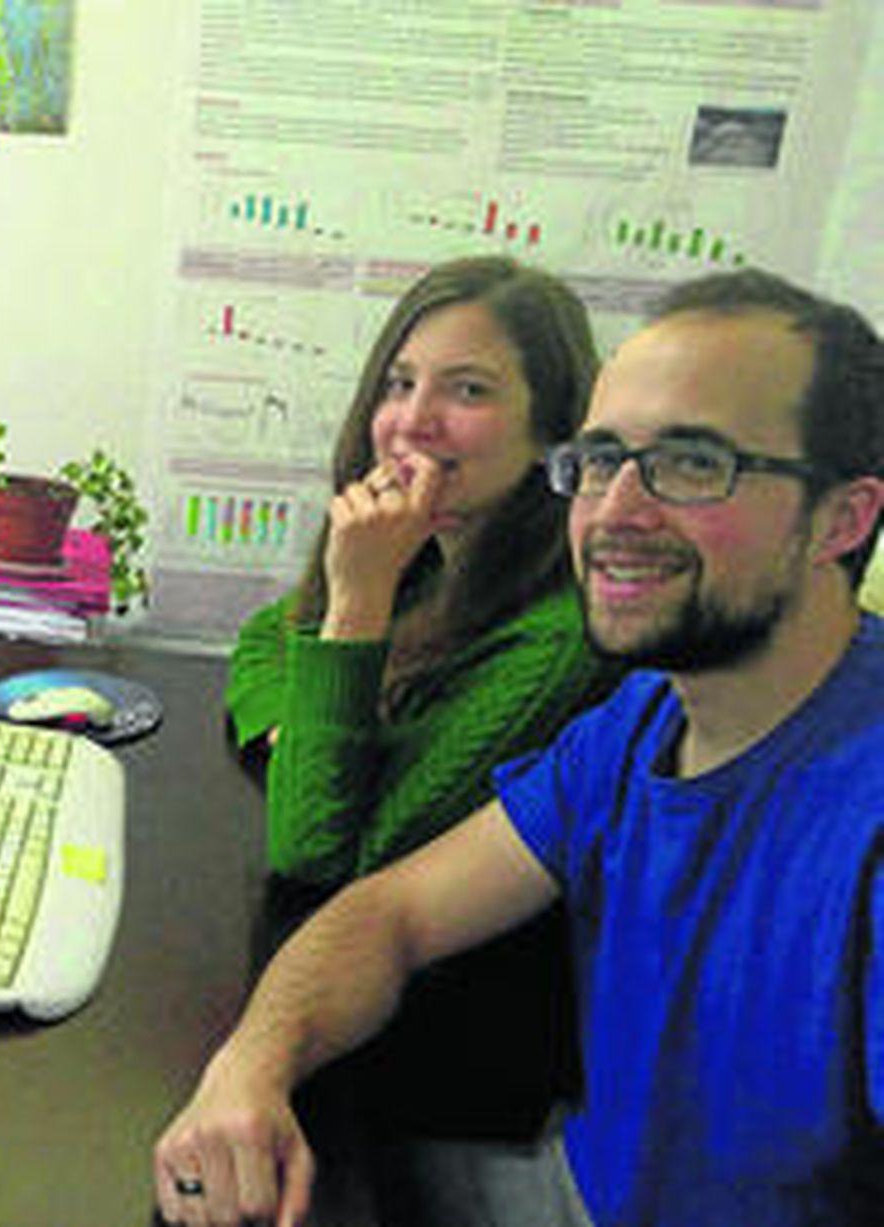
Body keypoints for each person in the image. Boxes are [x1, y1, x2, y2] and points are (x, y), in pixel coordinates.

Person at [154, 267, 884, 1227]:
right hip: (569, 1181)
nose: (617, 509)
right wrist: (248, 1066)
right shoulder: (638, 726)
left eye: (695, 462)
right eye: (602, 458)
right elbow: (391, 911)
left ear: (845, 517)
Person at [226, 257, 621, 1168]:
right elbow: (262, 639)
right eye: (400, 383)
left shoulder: (554, 638)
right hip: (368, 1005)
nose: (413, 419)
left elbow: (322, 854)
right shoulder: (436, 550)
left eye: (469, 389)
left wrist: (356, 603)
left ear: (551, 434)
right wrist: (299, 724)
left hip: (447, 1068)